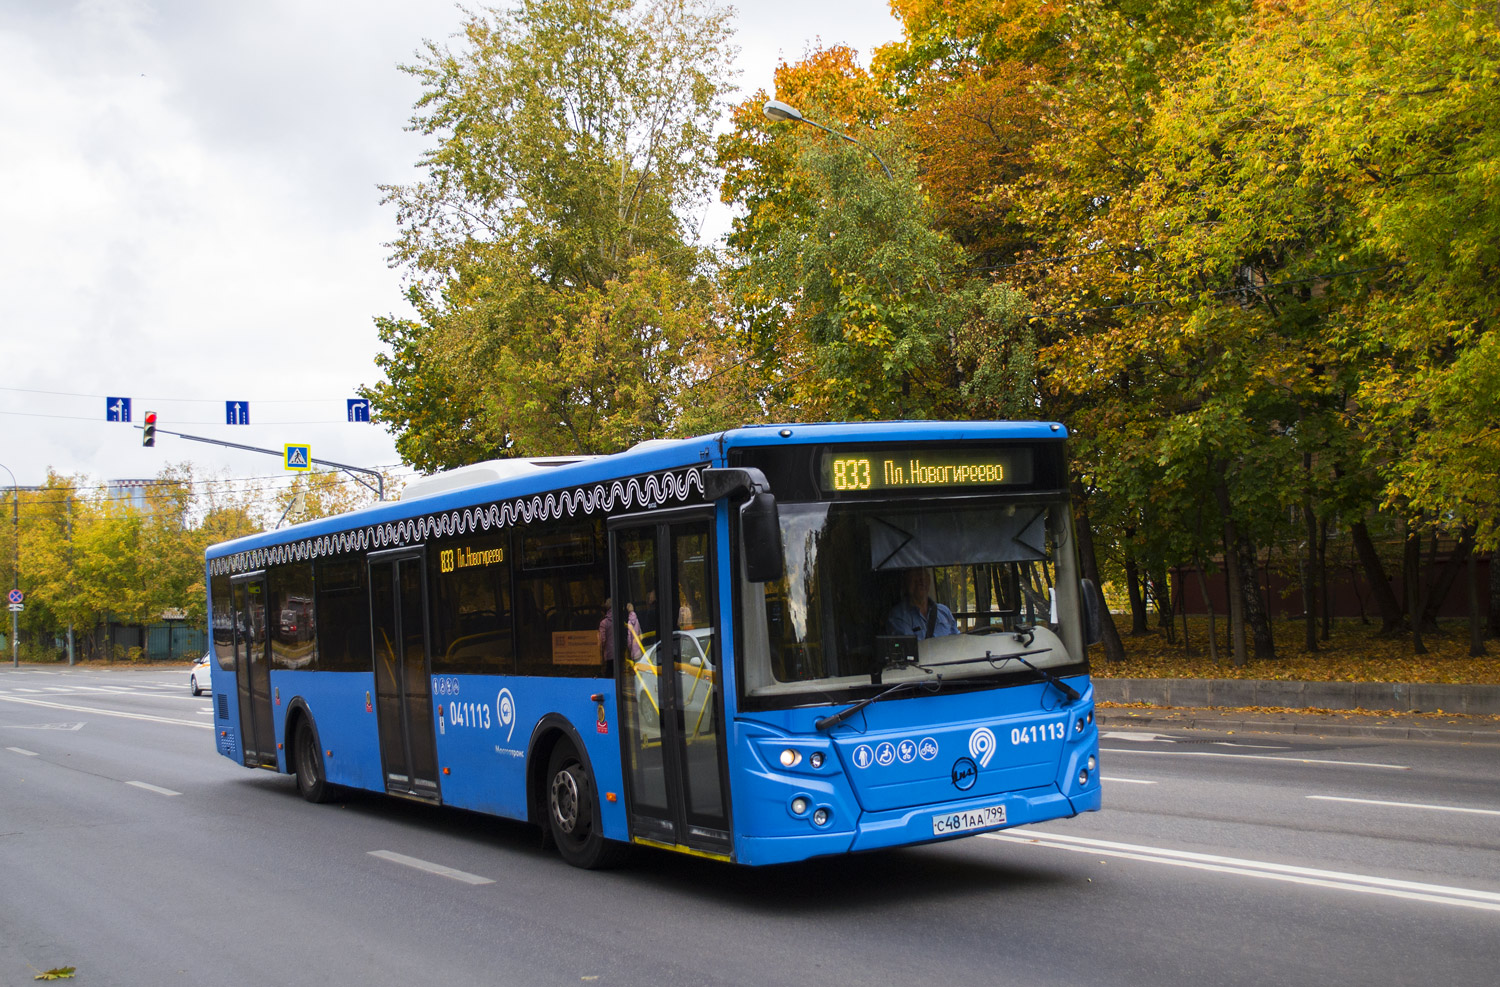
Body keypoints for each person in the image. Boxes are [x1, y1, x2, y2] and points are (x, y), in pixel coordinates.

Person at [886, 567, 957, 639]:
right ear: (905, 581)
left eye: (923, 575)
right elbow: (910, 648)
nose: (921, 580)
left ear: (929, 580)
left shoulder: (944, 611)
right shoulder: (899, 616)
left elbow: (958, 642)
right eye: (915, 575)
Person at [599, 597, 643, 663]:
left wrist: (601, 652)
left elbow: (602, 640)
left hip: (609, 654)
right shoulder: (621, 620)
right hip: (621, 653)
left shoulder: (604, 623)